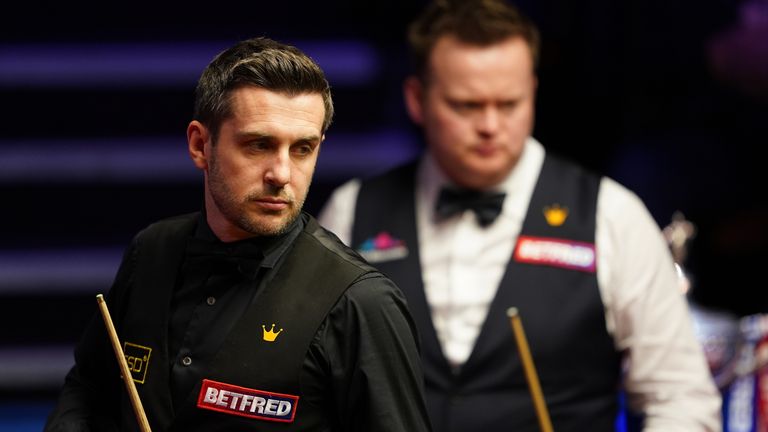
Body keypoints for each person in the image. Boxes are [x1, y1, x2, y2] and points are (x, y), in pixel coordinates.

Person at [318, 0, 722, 430]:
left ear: (532, 89)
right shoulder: (351, 210)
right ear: (417, 100)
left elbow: (680, 398)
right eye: (466, 105)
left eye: (509, 103)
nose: (491, 125)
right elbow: (306, 382)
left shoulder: (612, 215)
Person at [44, 37, 432, 432]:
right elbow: (89, 391)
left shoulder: (361, 302)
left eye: (302, 149)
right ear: (200, 145)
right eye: (259, 145)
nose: (282, 174)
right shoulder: (151, 250)